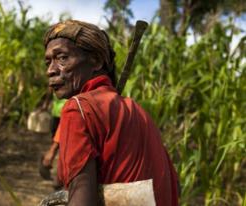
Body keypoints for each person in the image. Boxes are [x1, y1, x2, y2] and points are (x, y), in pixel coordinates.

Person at [43, 20, 179, 206]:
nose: (51, 70)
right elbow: (173, 185)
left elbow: (82, 198)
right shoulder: (138, 111)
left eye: (62, 58)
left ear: (97, 61)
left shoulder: (79, 108)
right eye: (48, 61)